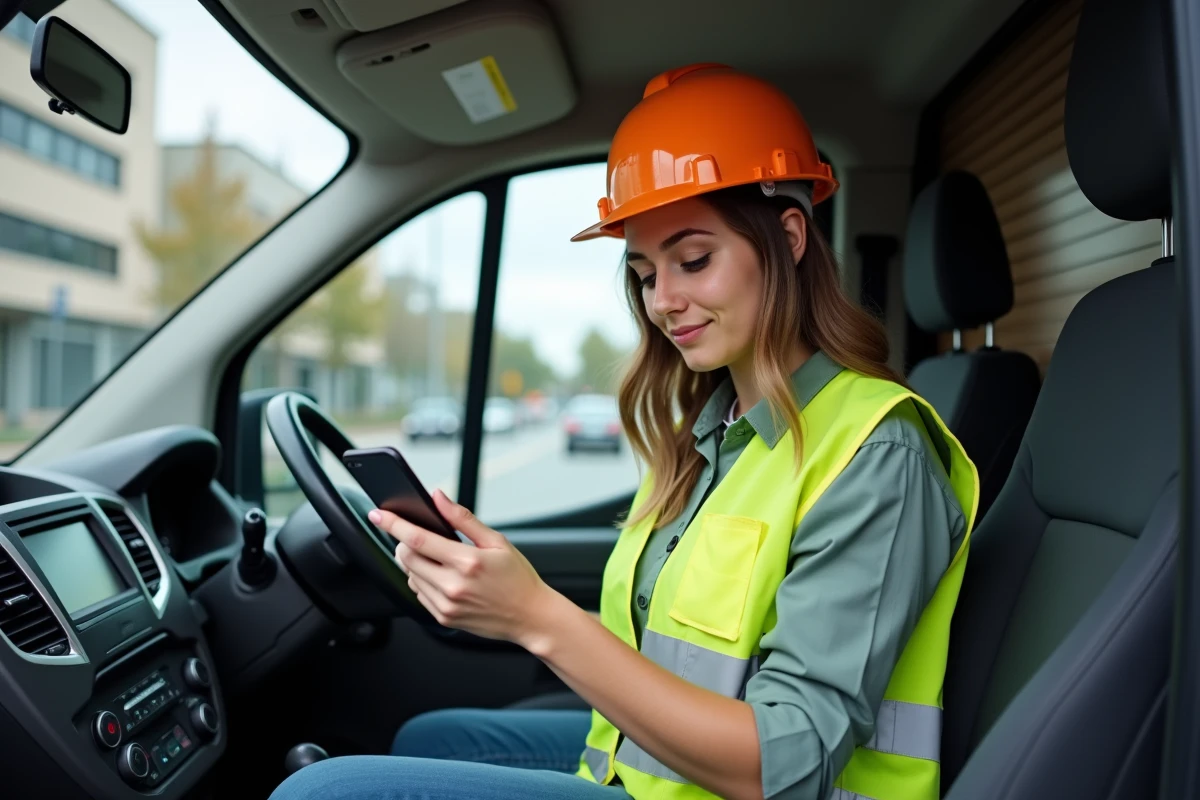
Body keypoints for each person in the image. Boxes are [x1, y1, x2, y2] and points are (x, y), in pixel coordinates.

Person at [270, 63, 978, 800]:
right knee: (430, 738)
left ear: (790, 236)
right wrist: (514, 595)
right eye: (643, 273)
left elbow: (786, 765)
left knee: (322, 793)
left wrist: (536, 617)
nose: (663, 301)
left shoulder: (876, 453)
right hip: (650, 776)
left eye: (693, 260)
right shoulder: (713, 436)